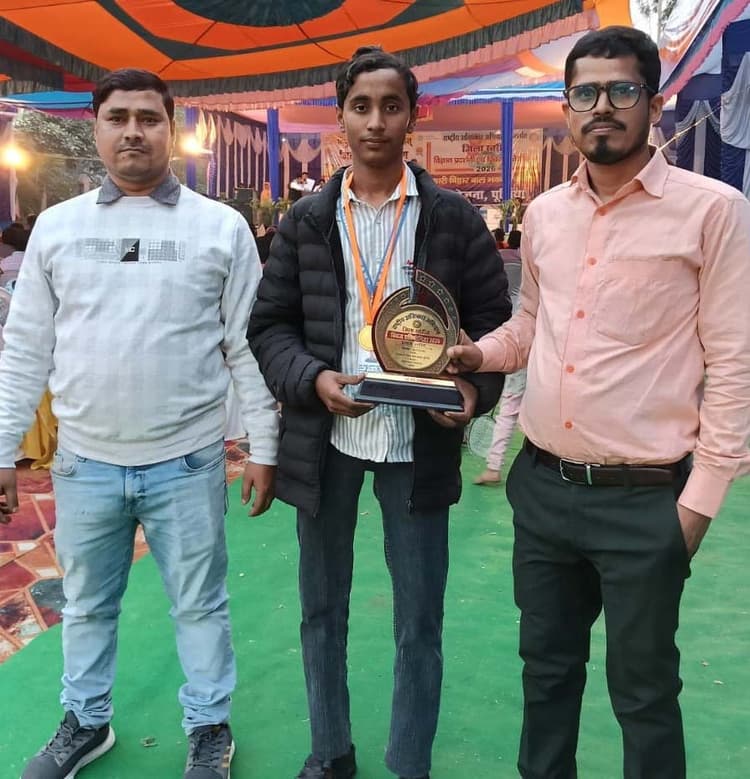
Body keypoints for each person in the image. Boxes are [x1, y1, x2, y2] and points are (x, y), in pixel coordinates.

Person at [447, 26, 750, 779]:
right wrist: (478, 354)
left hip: (647, 502)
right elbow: (532, 321)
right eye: (585, 93)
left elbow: (735, 363)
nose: (602, 107)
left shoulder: (713, 211)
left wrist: (698, 505)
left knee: (644, 694)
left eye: (621, 90)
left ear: (654, 102)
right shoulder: (546, 214)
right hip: (543, 491)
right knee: (546, 676)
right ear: (567, 108)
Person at [0, 68, 279, 779]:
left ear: (171, 129)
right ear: (95, 128)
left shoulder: (220, 228)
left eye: (149, 118)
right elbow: (25, 348)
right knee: (86, 605)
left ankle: (208, 728)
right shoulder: (59, 228)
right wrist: (3, 448)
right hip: (84, 462)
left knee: (200, 605)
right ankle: (86, 722)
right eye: (118, 117)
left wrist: (265, 446)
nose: (133, 131)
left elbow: (247, 346)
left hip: (187, 461)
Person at [248, 45, 510, 779]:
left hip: (418, 442)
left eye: (390, 106)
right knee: (320, 608)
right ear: (340, 117)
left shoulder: (453, 219)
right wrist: (312, 378)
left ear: (412, 116)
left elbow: (494, 324)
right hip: (326, 437)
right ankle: (329, 751)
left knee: (419, 618)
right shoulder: (306, 220)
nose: (375, 121)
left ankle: (409, 761)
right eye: (360, 106)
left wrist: (472, 392)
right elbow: (269, 327)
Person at [474, 229, 525, 486]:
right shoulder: (527, 265)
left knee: (510, 406)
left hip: (512, 339)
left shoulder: (499, 261)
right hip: (529, 343)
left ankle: (494, 466)